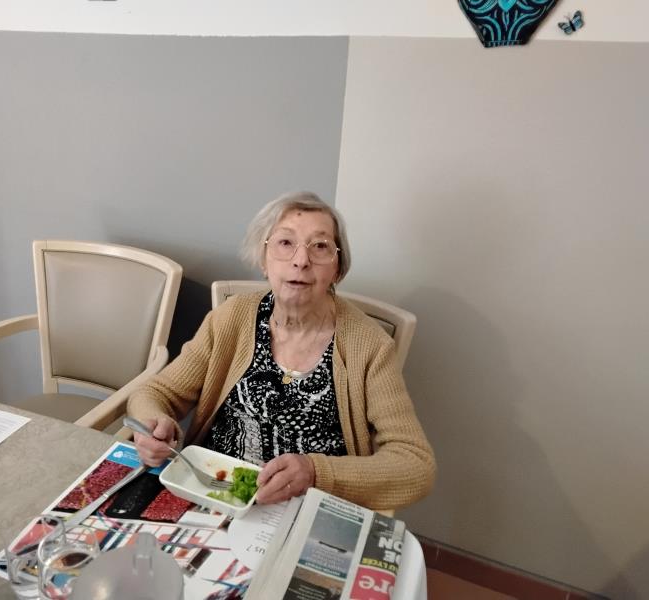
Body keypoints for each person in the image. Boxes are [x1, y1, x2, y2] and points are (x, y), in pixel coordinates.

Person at [127, 191, 435, 512]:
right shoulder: (231, 318)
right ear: (264, 260)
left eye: (320, 246)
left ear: (338, 269)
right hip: (215, 492)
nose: (301, 260)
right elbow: (156, 392)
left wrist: (316, 472)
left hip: (308, 509)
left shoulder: (368, 346)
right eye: (285, 243)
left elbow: (416, 465)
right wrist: (153, 424)